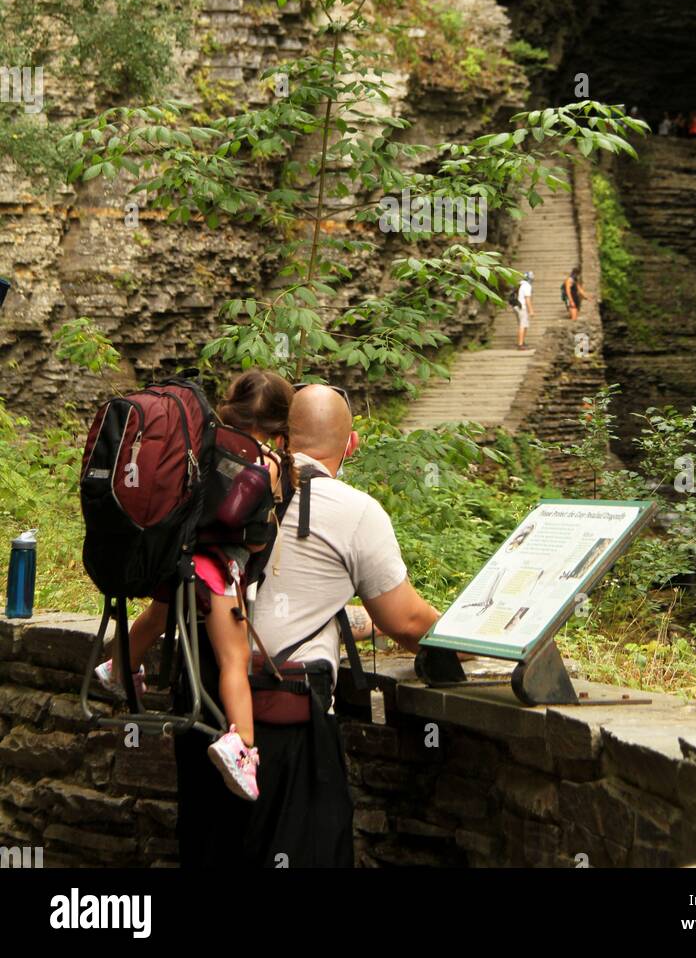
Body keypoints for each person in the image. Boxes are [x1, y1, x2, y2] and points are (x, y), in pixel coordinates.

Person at [173, 382, 442, 869]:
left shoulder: (225, 488)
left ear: (284, 436)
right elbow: (407, 621)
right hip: (287, 730)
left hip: (204, 713)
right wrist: (470, 637)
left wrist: (358, 626)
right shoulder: (355, 512)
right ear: (351, 444)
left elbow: (287, 601)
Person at [96, 369, 289, 802]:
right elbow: (254, 535)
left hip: (175, 558)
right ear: (279, 426)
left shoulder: (203, 438)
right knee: (234, 660)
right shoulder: (266, 461)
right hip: (217, 571)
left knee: (157, 616)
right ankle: (241, 746)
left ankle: (118, 667)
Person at [515, 270, 534, 351]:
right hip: (522, 307)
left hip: (517, 307)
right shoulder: (527, 286)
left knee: (522, 325)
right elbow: (527, 299)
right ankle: (520, 344)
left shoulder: (520, 284)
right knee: (523, 325)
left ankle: (522, 342)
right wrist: (531, 311)